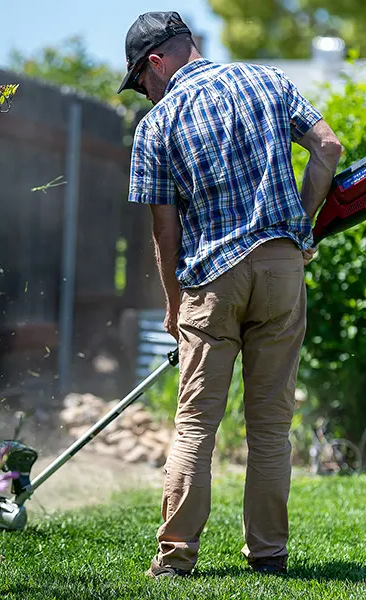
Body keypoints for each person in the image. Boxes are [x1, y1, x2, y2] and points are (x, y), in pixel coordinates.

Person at [118, 11, 343, 578]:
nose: (146, 94)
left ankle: (175, 561)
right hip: (281, 270)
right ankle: (268, 556)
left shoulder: (157, 126)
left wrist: (174, 309)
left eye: (142, 83)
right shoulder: (268, 79)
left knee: (196, 425)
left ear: (156, 63)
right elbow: (329, 147)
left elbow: (164, 234)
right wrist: (303, 228)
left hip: (211, 283)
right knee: (270, 424)